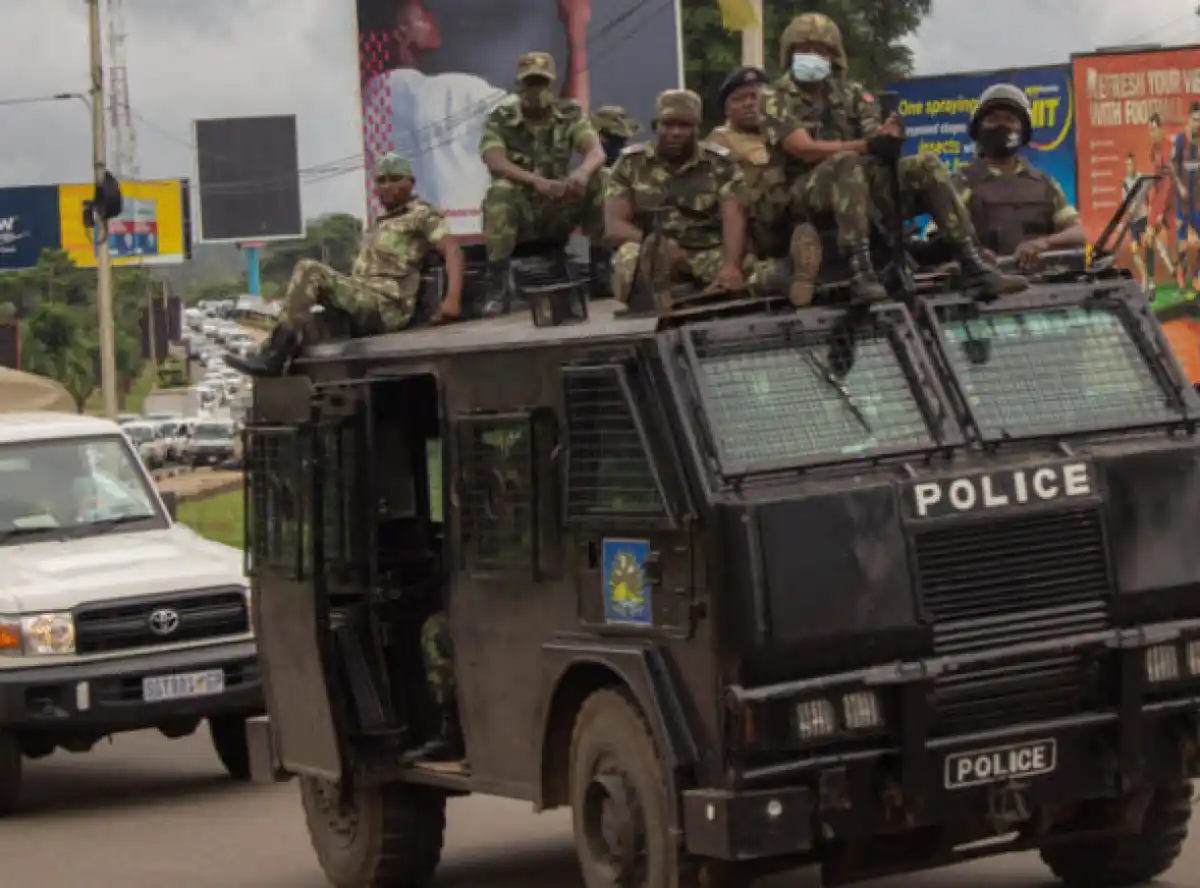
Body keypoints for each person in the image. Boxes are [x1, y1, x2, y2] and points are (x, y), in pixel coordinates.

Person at [759, 13, 1025, 303]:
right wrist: (867, 144)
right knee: (846, 162)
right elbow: (803, 147)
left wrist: (889, 134)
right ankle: (861, 269)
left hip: (861, 184)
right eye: (804, 49)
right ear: (790, 53)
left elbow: (876, 139)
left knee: (926, 164)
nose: (813, 56)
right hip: (803, 195)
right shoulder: (773, 96)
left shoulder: (852, 93)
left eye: (820, 50)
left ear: (833, 55)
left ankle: (972, 261)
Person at [225, 154, 465, 378]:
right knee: (306, 314)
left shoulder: (422, 215)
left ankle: (272, 358)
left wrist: (452, 299)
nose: (387, 186)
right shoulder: (379, 224)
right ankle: (274, 351)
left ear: (411, 183)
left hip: (386, 305)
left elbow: (452, 250)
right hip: (363, 298)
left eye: (395, 179)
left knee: (309, 270)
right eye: (381, 180)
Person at [604, 89, 804, 308]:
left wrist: (731, 265)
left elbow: (734, 216)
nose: (676, 132)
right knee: (628, 258)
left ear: (697, 128)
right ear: (656, 126)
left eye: (684, 125)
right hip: (653, 252)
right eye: (668, 125)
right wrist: (658, 245)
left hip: (707, 250)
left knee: (754, 274)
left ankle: (794, 274)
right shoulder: (631, 163)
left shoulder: (719, 163)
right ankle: (656, 302)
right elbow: (615, 226)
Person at [478, 51, 608, 311]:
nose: (536, 90)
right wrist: (536, 181)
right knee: (500, 192)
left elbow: (596, 152)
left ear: (553, 85)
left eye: (542, 83)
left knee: (600, 179)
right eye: (530, 83)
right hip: (524, 211)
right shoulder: (501, 119)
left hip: (559, 206)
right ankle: (498, 287)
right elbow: (495, 160)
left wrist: (581, 173)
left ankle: (602, 270)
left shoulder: (569, 114)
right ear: (519, 86)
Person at [951, 83, 1086, 270]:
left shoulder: (1045, 184)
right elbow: (939, 241)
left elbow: (1079, 233)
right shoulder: (962, 181)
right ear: (978, 129)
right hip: (985, 291)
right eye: (993, 119)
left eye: (1010, 119)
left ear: (1023, 131)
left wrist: (1044, 243)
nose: (1002, 125)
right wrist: (976, 255)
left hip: (1045, 288)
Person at [1172, 101, 1200, 291]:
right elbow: (1172, 170)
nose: (1197, 123)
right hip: (1182, 203)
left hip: (1197, 203)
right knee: (1182, 245)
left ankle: (1197, 275)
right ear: (1188, 119)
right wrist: (1180, 186)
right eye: (1195, 119)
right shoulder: (1180, 141)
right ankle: (1182, 274)